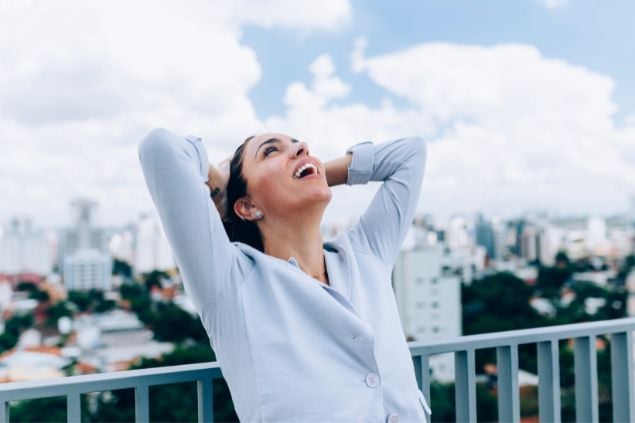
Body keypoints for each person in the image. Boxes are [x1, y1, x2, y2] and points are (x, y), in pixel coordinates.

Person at [138, 128, 431, 422]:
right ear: (247, 207)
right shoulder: (231, 283)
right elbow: (159, 149)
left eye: (298, 145)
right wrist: (222, 188)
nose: (303, 146)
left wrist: (311, 173)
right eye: (270, 151)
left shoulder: (366, 254)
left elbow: (411, 153)